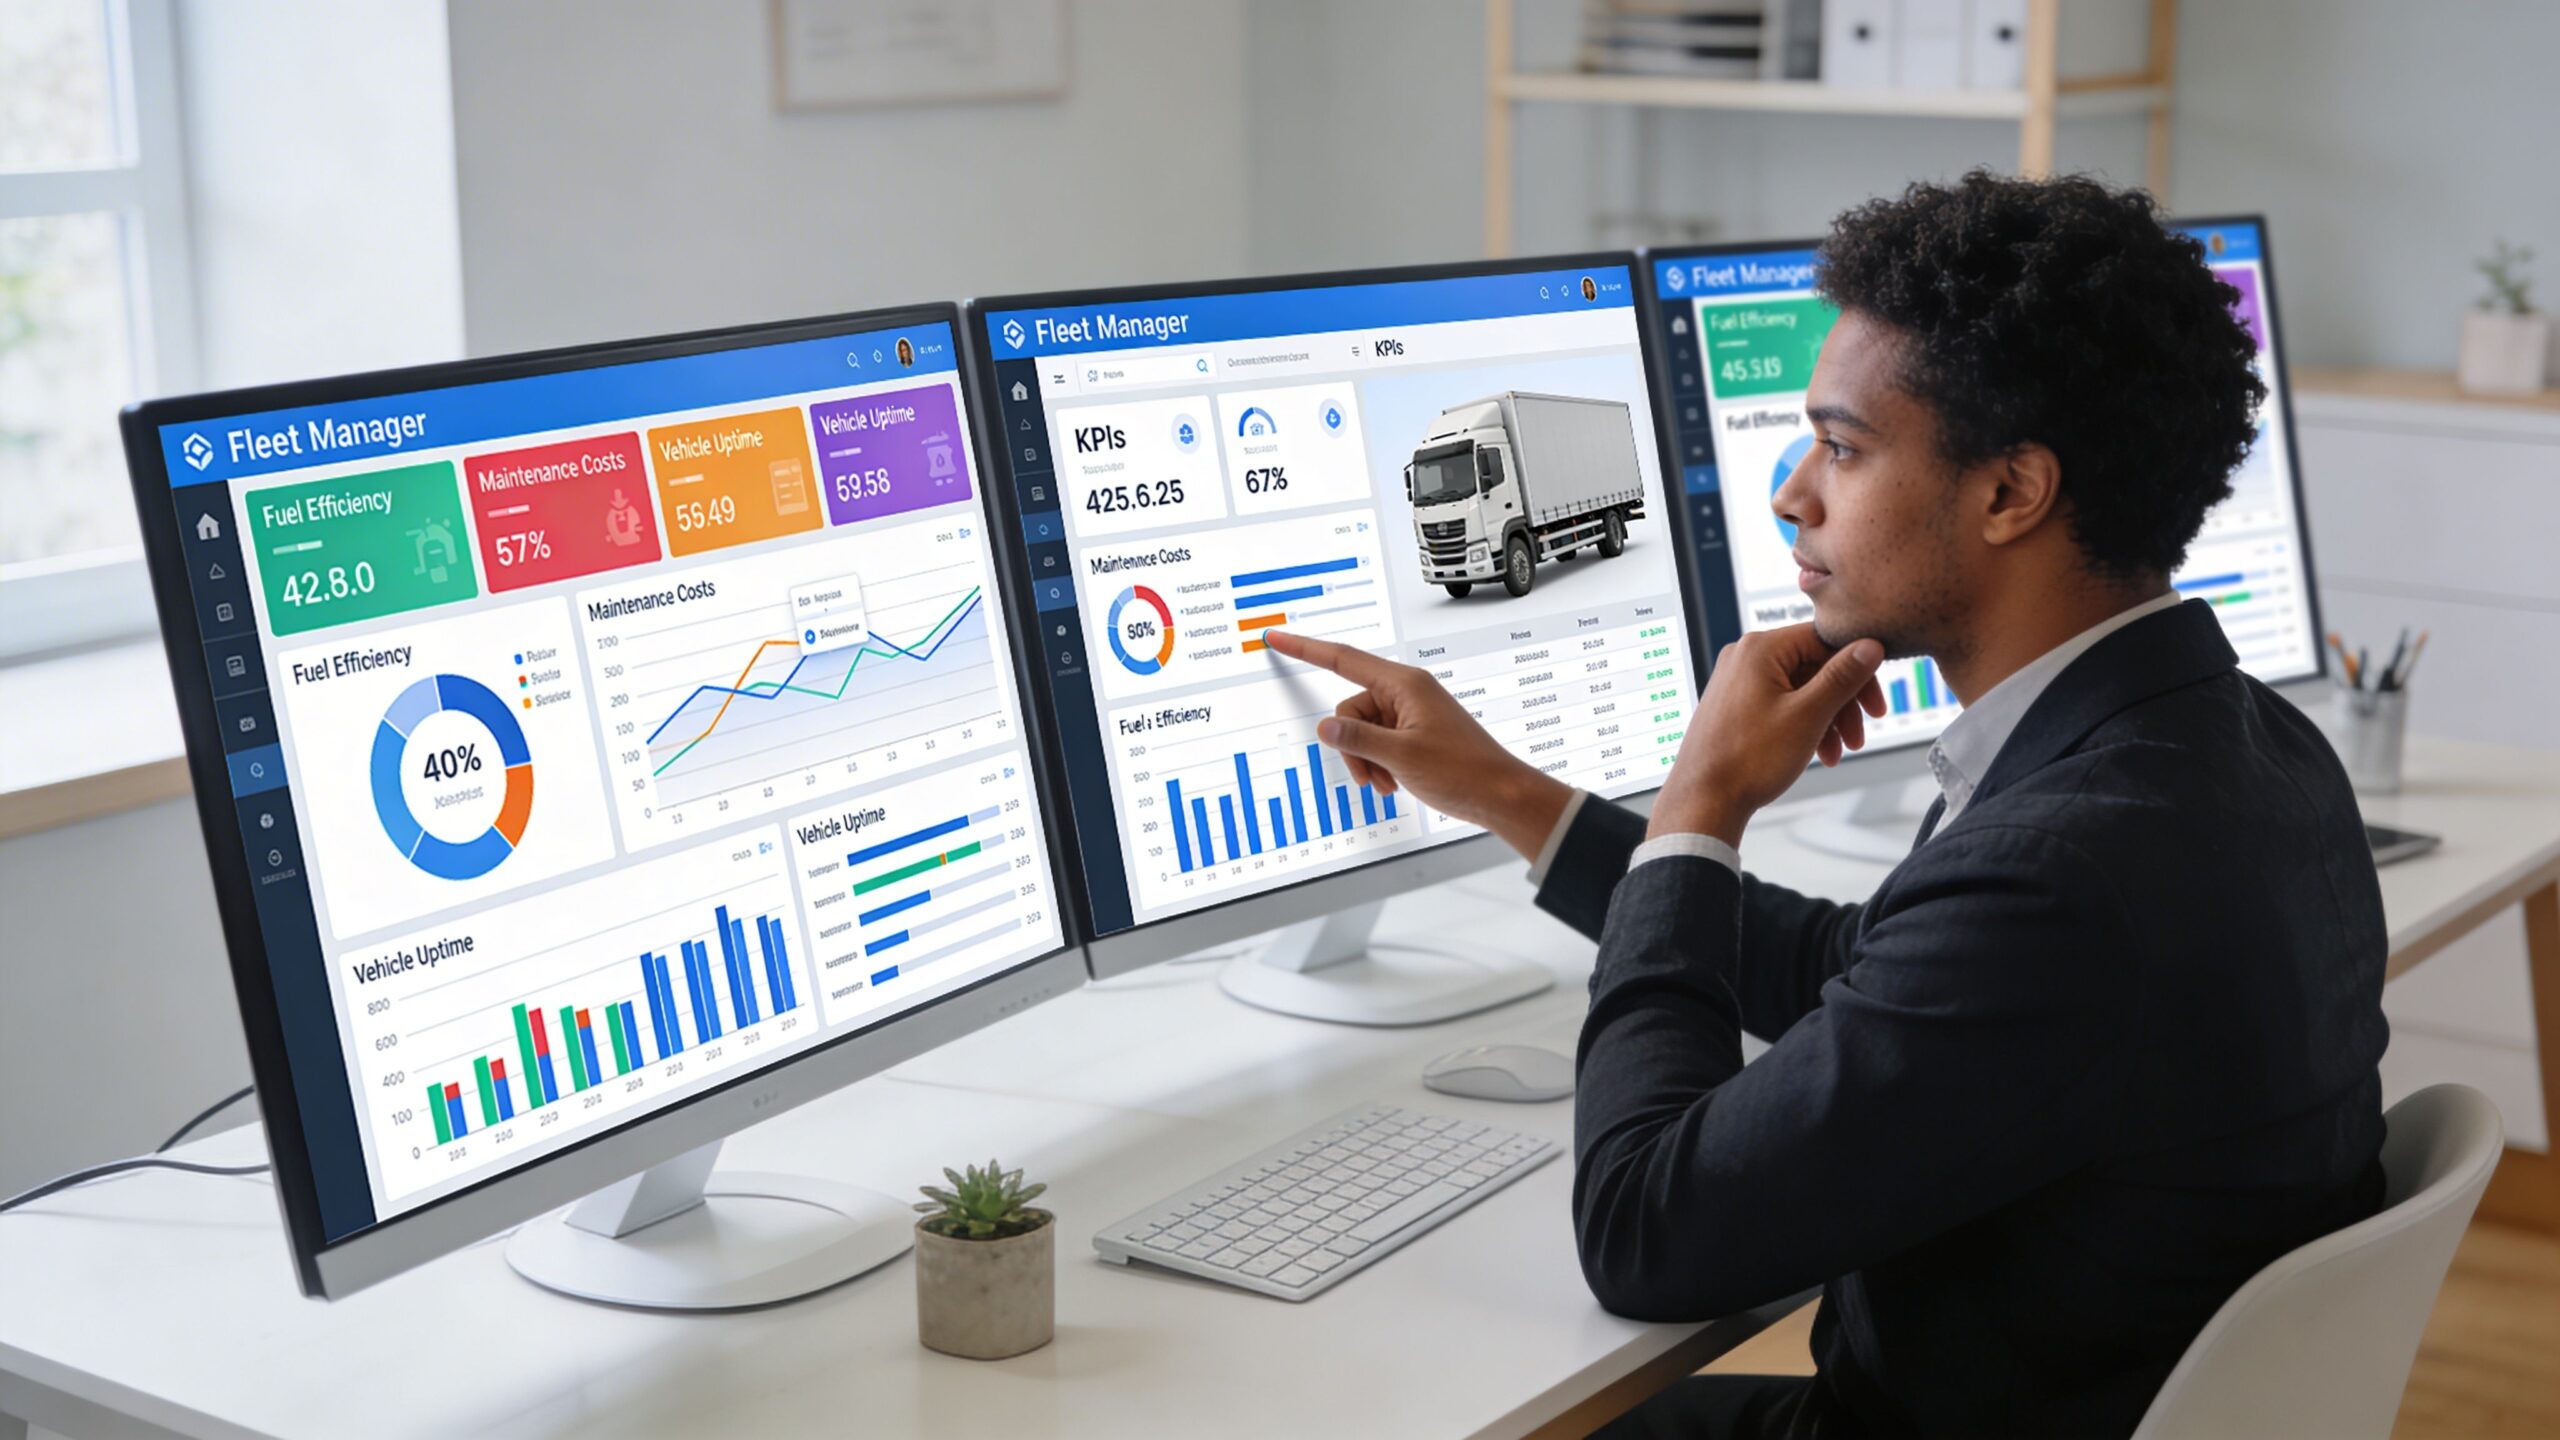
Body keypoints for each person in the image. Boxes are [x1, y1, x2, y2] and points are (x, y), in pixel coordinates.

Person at [1265, 171, 2387, 1438]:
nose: (1793, 494)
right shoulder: (2233, 744)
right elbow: (1865, 974)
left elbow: (1644, 1234)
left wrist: (1699, 809)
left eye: (1843, 448)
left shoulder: (2067, 872)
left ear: (2011, 492)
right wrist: (1513, 798)